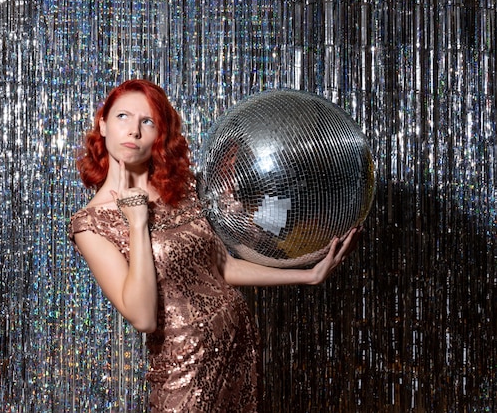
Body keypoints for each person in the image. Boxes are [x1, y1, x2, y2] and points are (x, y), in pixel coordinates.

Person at [68, 79, 361, 412]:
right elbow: (143, 317)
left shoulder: (183, 189)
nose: (133, 131)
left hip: (238, 350)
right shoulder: (91, 223)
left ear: (159, 135)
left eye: (146, 121)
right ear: (103, 125)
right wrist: (138, 225)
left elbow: (222, 267)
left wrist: (307, 274)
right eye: (122, 117)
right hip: (185, 371)